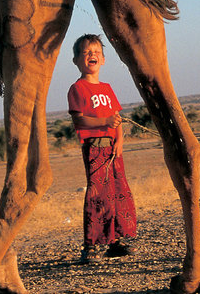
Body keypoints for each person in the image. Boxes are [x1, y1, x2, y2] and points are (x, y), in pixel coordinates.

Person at [67, 34, 137, 263]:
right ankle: (91, 246)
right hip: (95, 148)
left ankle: (115, 241)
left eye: (96, 52)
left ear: (104, 60)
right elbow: (79, 121)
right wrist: (103, 123)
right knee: (98, 196)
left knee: (118, 193)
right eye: (86, 52)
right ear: (76, 60)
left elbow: (117, 117)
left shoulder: (107, 88)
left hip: (113, 149)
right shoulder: (77, 88)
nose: (92, 56)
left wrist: (120, 141)